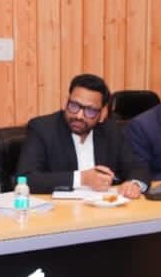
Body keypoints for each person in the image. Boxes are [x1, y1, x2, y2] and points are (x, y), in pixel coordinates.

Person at [16, 73, 149, 197]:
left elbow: (138, 167)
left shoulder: (111, 131)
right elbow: (26, 179)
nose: (79, 116)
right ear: (65, 102)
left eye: (90, 111)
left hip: (104, 209)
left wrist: (134, 184)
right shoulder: (42, 128)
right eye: (74, 106)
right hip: (61, 209)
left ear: (103, 113)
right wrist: (82, 179)